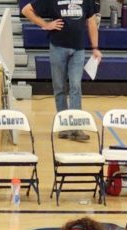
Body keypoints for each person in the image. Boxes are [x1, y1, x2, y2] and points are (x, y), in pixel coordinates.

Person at [20, 0, 101, 141]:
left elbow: (92, 20)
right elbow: (26, 10)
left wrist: (95, 47)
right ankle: (63, 126)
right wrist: (45, 25)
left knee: (76, 86)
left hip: (78, 49)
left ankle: (76, 128)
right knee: (59, 87)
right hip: (58, 47)